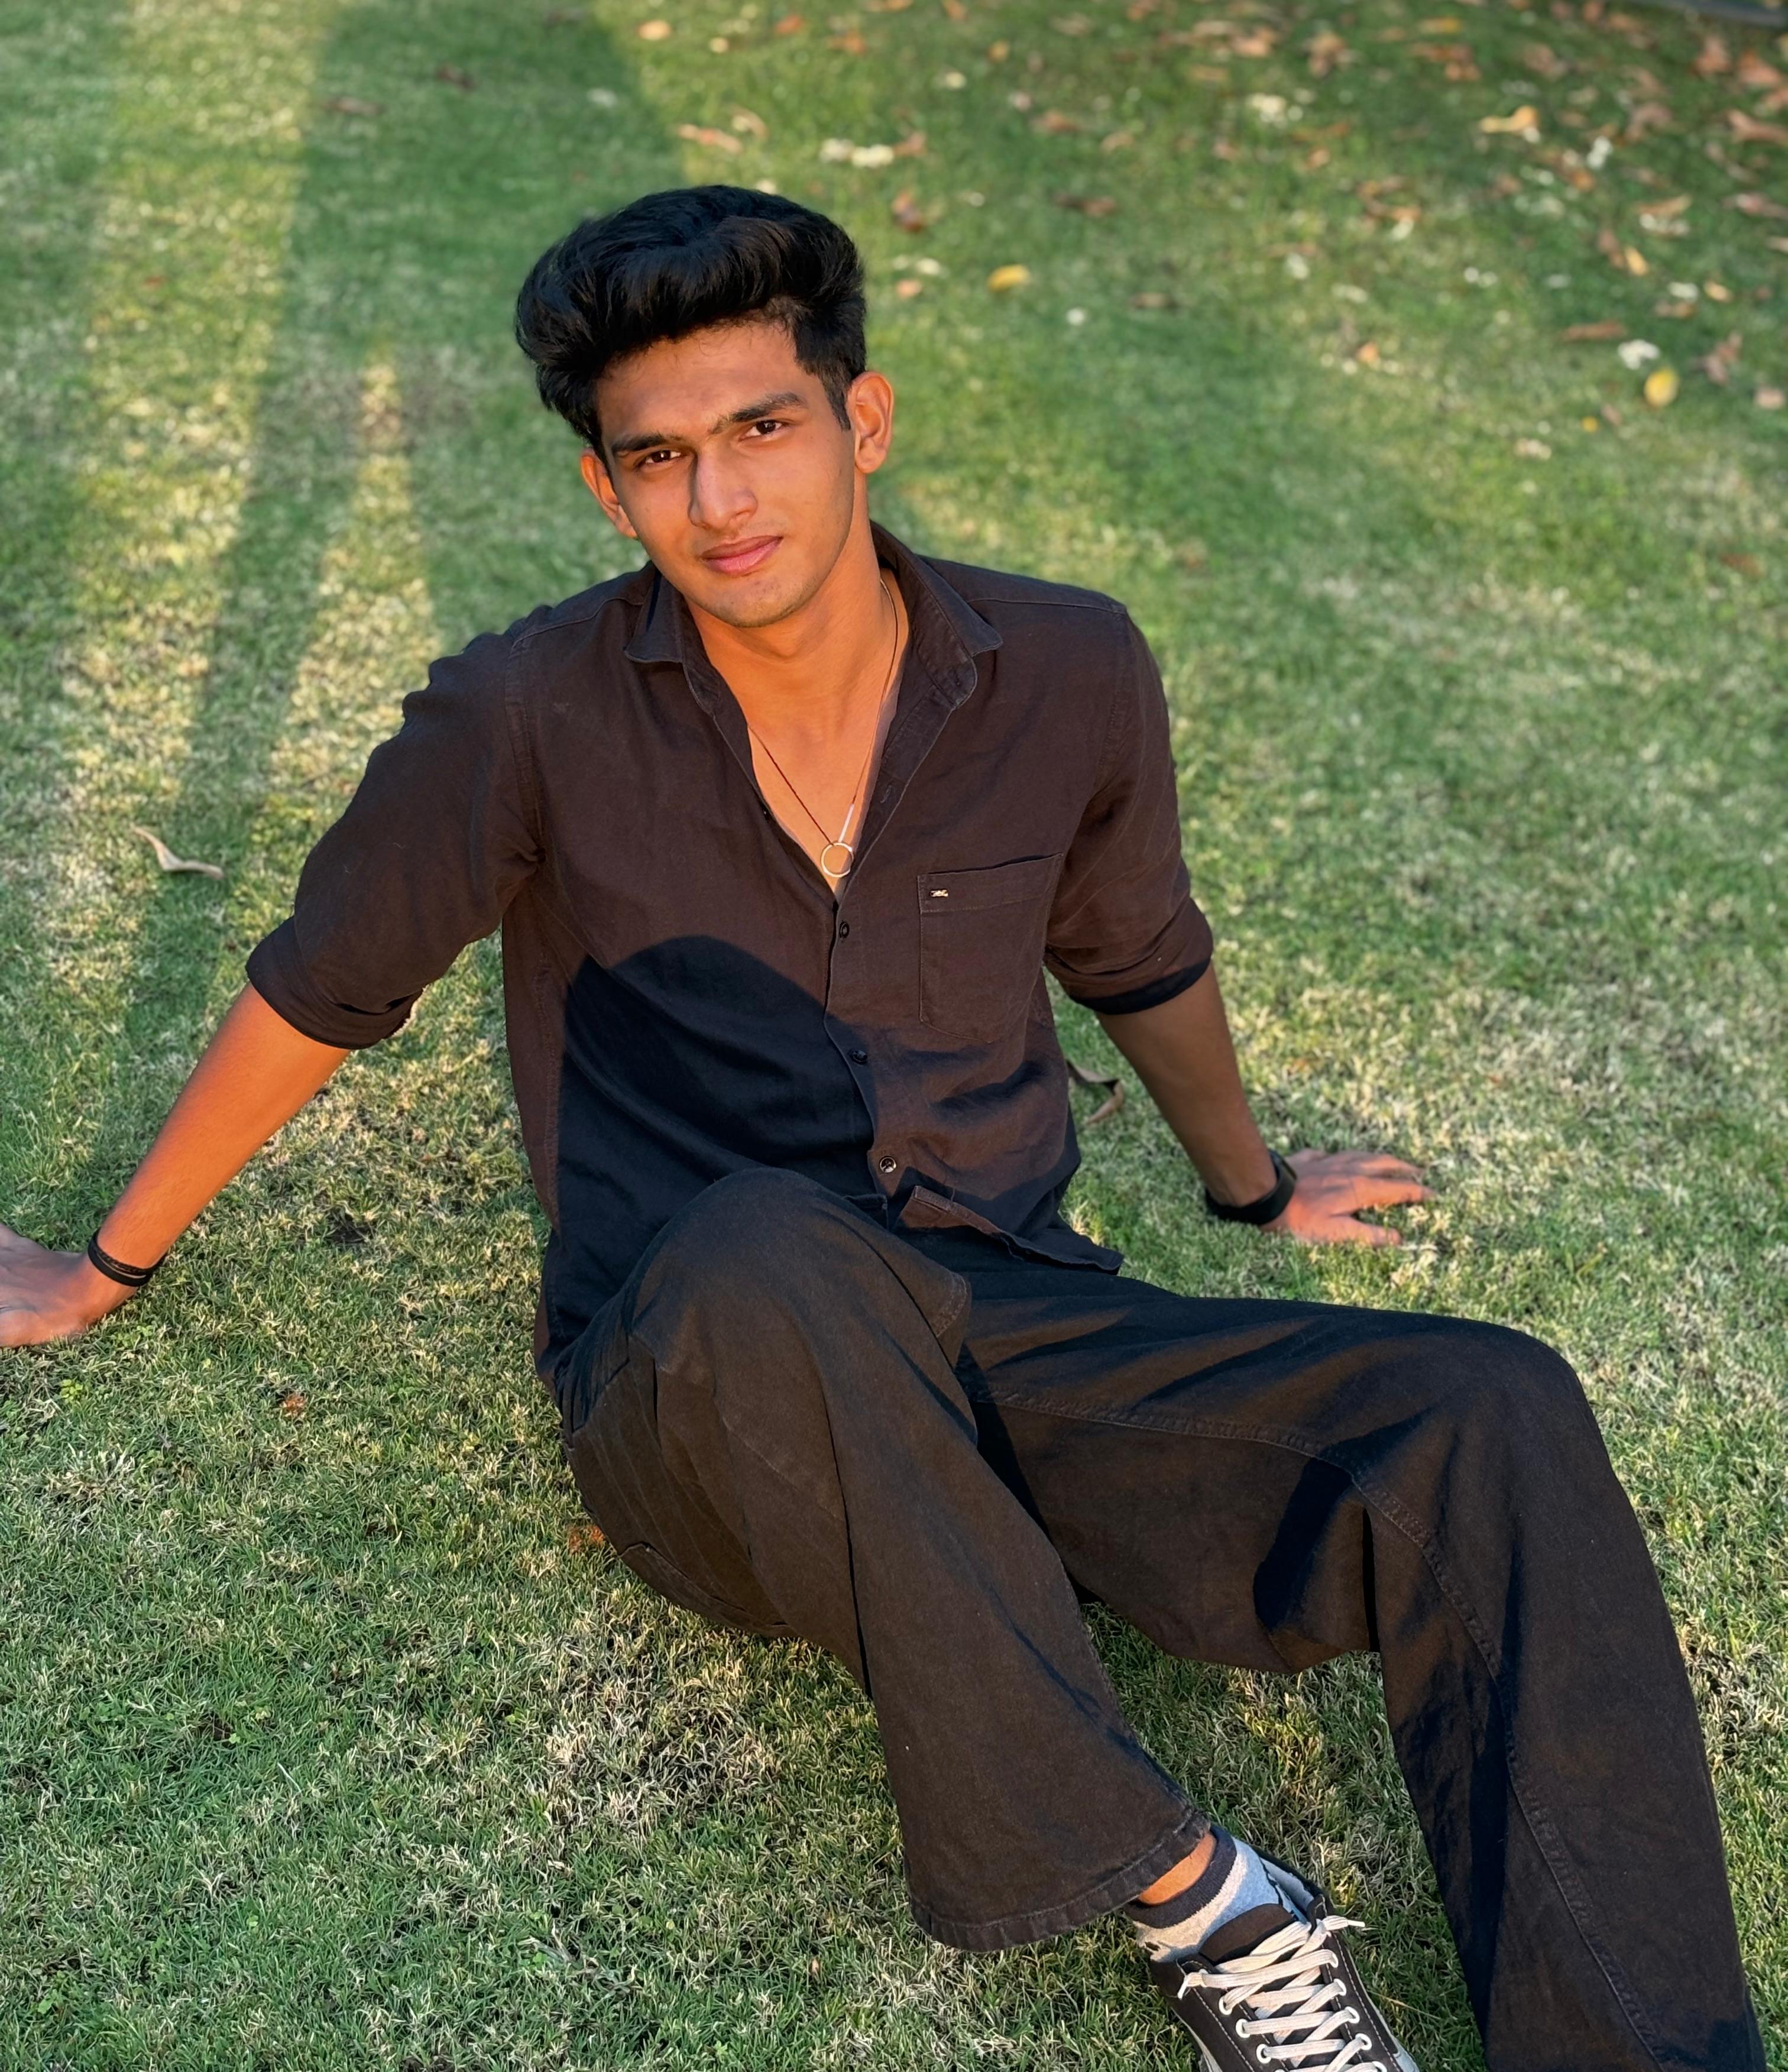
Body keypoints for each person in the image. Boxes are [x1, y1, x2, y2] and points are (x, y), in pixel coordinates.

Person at [0, 187, 1759, 2072]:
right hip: (709, 1378)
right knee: (773, 1245)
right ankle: (1206, 1902)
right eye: (659, 457)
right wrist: (106, 1264)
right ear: (608, 491)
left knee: (1492, 1408)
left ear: (866, 421)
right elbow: (324, 985)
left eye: (763, 425)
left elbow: (1136, 950)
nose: (720, 498)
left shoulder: (1067, 668)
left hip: (1009, 1320)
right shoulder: (525, 713)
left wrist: (1250, 1188)